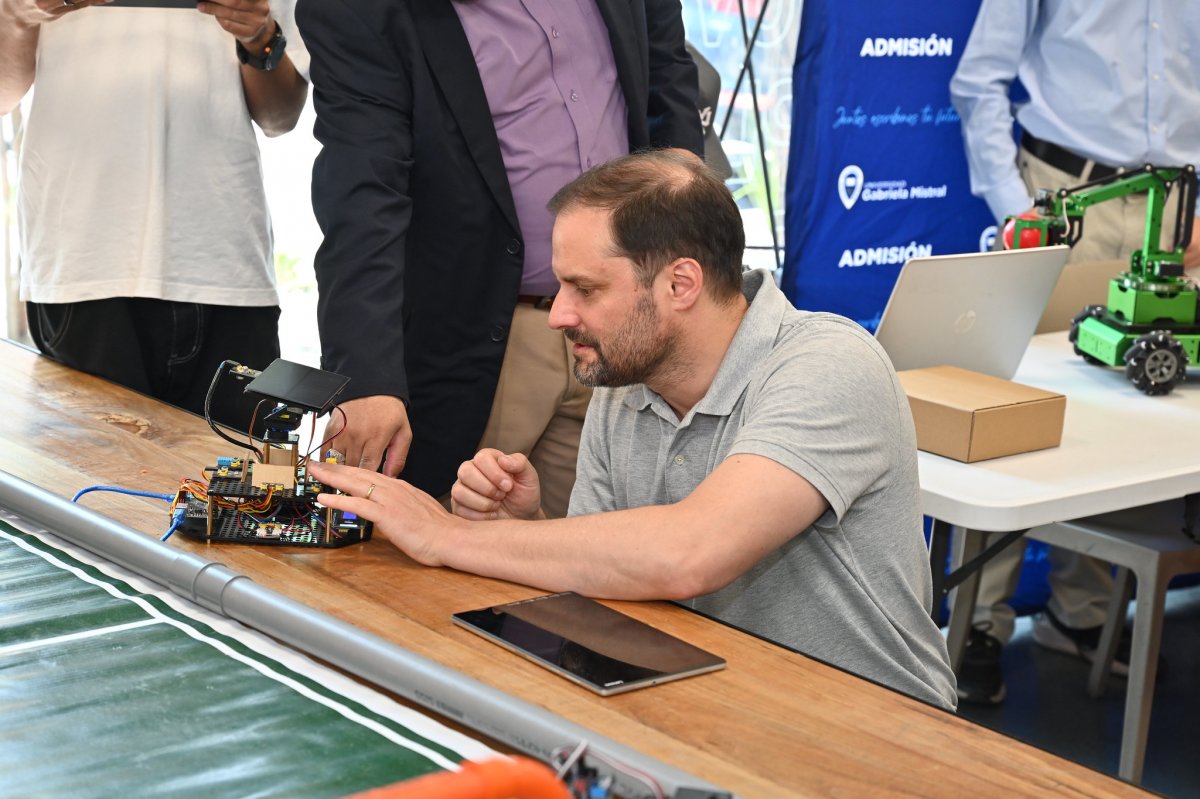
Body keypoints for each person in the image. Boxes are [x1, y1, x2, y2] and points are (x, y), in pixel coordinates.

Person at [308, 151, 959, 711]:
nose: (558, 314)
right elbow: (610, 594)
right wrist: (528, 528)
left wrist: (447, 535)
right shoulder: (625, 385)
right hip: (717, 704)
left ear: (681, 283)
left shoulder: (829, 364)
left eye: (585, 288)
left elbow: (689, 554)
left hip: (878, 730)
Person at [294, 0, 705, 519]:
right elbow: (363, 199)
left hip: (633, 327)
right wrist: (366, 381)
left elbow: (668, 85)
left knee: (604, 551)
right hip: (482, 340)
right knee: (451, 547)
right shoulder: (361, 10)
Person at [950, 0, 1200, 704]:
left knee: (1137, 413)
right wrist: (1016, 208)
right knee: (1014, 405)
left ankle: (1082, 612)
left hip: (1177, 215)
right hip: (1066, 195)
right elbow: (978, 80)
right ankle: (977, 624)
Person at [1, 0, 309, 423]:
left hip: (223, 260)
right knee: (94, 468)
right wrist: (17, 14)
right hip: (85, 261)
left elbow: (281, 116)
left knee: (242, 465)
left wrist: (259, 37)